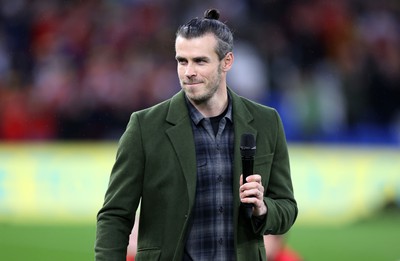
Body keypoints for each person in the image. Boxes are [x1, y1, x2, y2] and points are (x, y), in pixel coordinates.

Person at [95, 8, 298, 261]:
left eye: (200, 61)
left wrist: (263, 207)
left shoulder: (267, 122)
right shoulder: (145, 126)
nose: (188, 71)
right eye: (182, 61)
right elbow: (115, 214)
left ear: (227, 61)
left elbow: (287, 208)